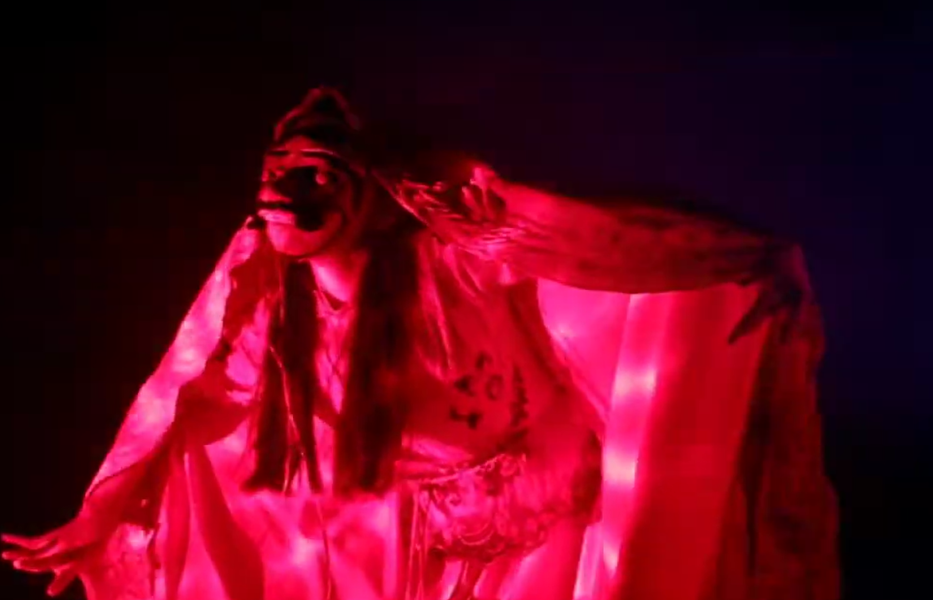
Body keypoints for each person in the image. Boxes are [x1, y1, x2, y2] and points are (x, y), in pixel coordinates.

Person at [3, 88, 839, 600]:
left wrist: (729, 260)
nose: (284, 190)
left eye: (313, 171)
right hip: (405, 536)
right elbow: (188, 401)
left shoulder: (457, 262)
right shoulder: (273, 312)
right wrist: (101, 513)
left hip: (532, 525)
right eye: (275, 171)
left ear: (366, 192)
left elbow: (594, 246)